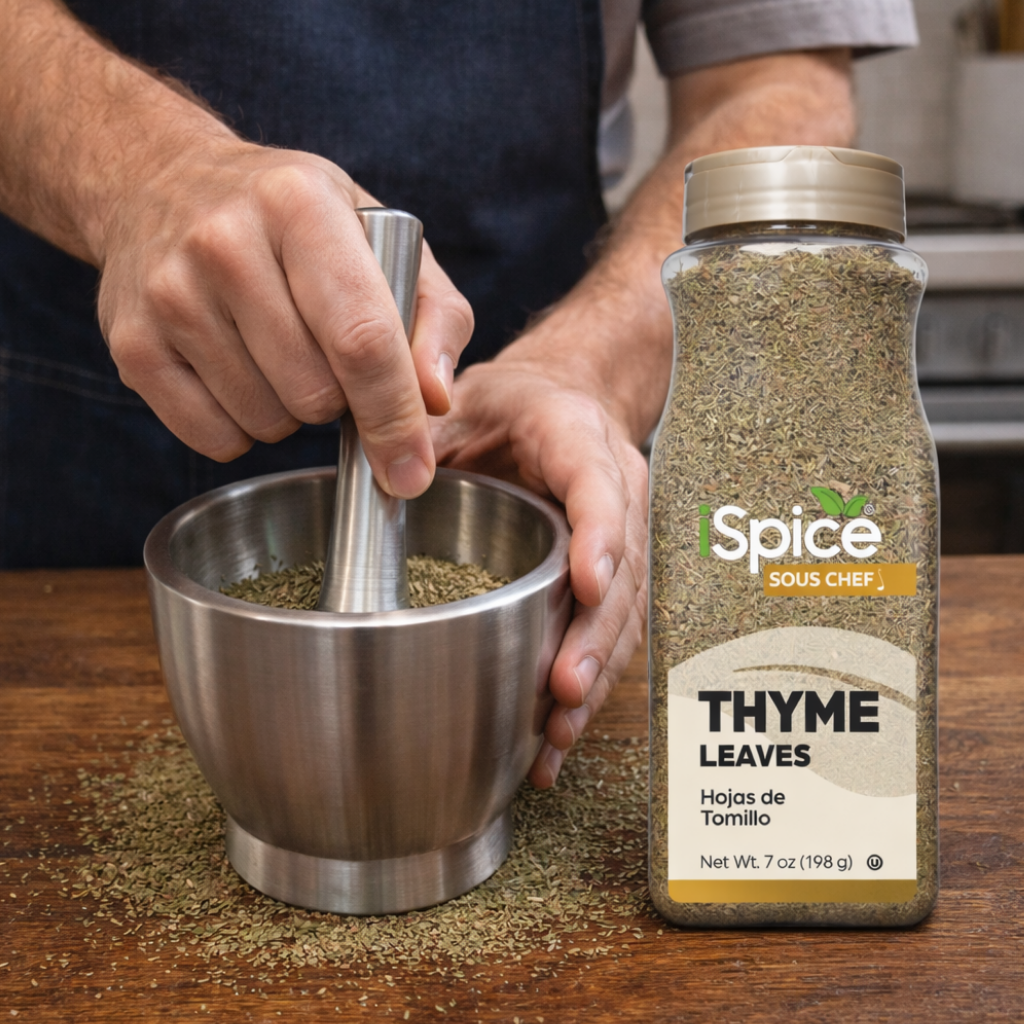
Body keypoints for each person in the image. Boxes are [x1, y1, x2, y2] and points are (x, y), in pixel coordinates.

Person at [0, 0, 917, 786]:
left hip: (520, 408)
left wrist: (583, 365)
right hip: (74, 491)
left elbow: (776, 85)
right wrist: (142, 173)